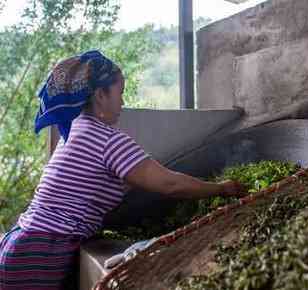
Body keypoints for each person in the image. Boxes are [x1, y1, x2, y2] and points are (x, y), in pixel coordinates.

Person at [0, 50, 246, 289]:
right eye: (120, 93)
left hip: (23, 242)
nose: (123, 101)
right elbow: (170, 184)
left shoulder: (75, 129)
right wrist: (222, 188)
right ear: (100, 95)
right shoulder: (107, 140)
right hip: (40, 252)